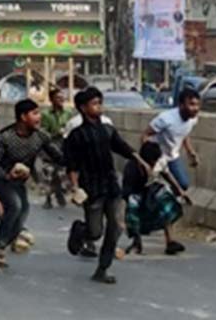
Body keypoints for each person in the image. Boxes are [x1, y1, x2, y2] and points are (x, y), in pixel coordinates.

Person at [64, 87, 146, 284]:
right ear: (83, 108)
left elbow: (122, 147)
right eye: (94, 103)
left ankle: (103, 267)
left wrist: (140, 160)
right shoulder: (76, 135)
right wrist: (75, 187)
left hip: (111, 185)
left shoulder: (107, 130)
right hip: (91, 187)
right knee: (95, 232)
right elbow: (72, 165)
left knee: (116, 226)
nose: (99, 107)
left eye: (100, 103)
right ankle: (79, 230)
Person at [0, 99, 62, 268]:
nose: (39, 117)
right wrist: (7, 174)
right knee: (14, 207)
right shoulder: (4, 138)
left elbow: (58, 156)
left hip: (18, 183)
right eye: (35, 113)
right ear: (23, 117)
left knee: (20, 219)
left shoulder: (41, 136)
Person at [122, 141, 192, 256]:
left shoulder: (160, 161)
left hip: (151, 188)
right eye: (151, 163)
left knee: (165, 203)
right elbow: (126, 192)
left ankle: (170, 241)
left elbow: (167, 175)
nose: (153, 165)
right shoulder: (131, 167)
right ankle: (136, 242)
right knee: (133, 208)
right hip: (136, 191)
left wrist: (180, 191)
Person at [142, 87, 201, 192]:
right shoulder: (165, 119)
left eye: (197, 105)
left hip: (172, 156)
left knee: (183, 185)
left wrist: (190, 152)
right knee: (146, 187)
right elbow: (145, 135)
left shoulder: (193, 119)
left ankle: (166, 195)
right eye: (191, 104)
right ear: (181, 105)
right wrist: (147, 160)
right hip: (156, 157)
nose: (196, 108)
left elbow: (184, 134)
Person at [40, 87, 72, 209]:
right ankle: (48, 199)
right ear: (51, 100)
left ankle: (60, 194)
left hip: (63, 147)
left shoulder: (68, 113)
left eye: (62, 97)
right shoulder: (46, 115)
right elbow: (43, 132)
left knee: (60, 173)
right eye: (58, 98)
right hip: (50, 148)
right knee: (49, 174)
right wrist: (55, 133)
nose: (61, 100)